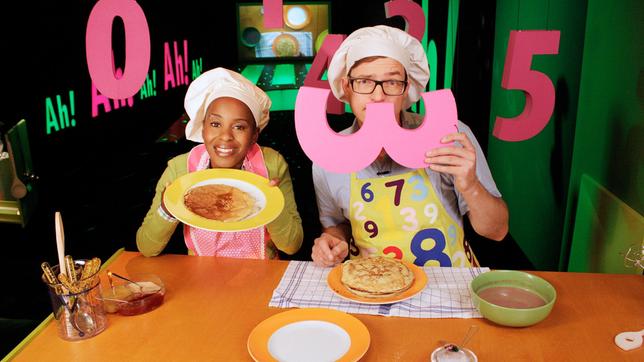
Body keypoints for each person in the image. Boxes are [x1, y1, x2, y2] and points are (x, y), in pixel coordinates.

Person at [311, 25, 509, 267]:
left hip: (447, 287)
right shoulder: (327, 156)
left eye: (392, 82)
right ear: (347, 87)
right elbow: (335, 226)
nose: (377, 97)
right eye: (364, 81)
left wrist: (470, 185)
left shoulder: (449, 136)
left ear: (406, 89)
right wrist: (331, 243)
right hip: (370, 285)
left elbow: (497, 231)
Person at [137, 68, 303, 259]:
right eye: (215, 124)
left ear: (254, 134)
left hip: (261, 275)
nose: (225, 136)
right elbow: (146, 247)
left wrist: (272, 201)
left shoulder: (272, 164)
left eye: (239, 127)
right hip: (201, 277)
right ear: (203, 127)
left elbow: (292, 245)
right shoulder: (180, 169)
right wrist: (167, 209)